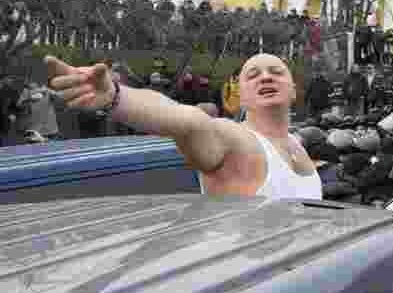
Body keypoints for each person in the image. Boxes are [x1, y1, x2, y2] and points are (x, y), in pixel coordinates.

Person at [45, 53, 322, 202]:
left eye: (276, 72)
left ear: (293, 90)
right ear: (241, 95)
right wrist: (117, 96)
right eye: (253, 75)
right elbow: (187, 121)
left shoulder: (296, 145)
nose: (265, 77)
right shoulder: (236, 139)